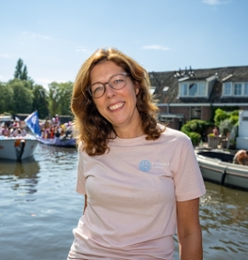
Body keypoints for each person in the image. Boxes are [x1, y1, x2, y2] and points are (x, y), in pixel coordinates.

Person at [67, 48, 205, 259]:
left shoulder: (177, 145)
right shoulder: (88, 147)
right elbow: (90, 211)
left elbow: (189, 233)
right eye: (98, 89)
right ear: (93, 102)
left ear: (136, 86)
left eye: (117, 81)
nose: (110, 93)